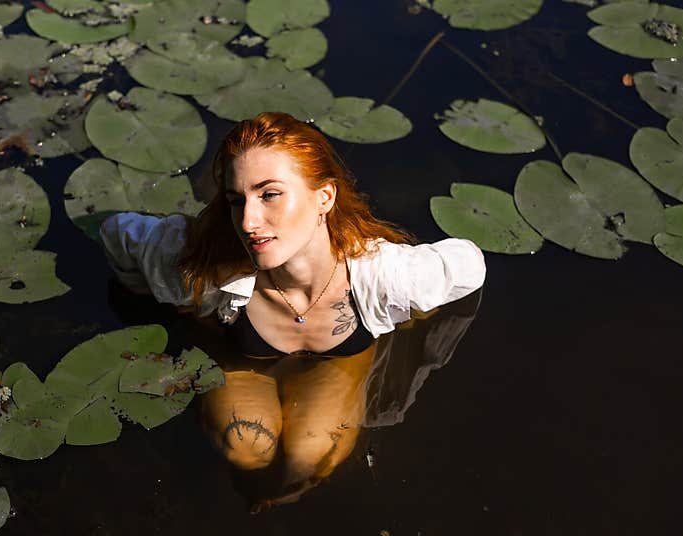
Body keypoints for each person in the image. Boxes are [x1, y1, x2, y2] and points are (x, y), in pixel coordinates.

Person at [101, 112, 485, 507]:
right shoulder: (209, 266)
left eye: (269, 194)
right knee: (246, 447)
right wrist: (164, 305)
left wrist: (415, 313)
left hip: (336, 364)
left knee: (309, 457)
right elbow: (116, 233)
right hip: (242, 359)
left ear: (325, 197)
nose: (248, 221)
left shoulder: (386, 275)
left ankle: (292, 495)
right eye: (237, 200)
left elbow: (470, 264)